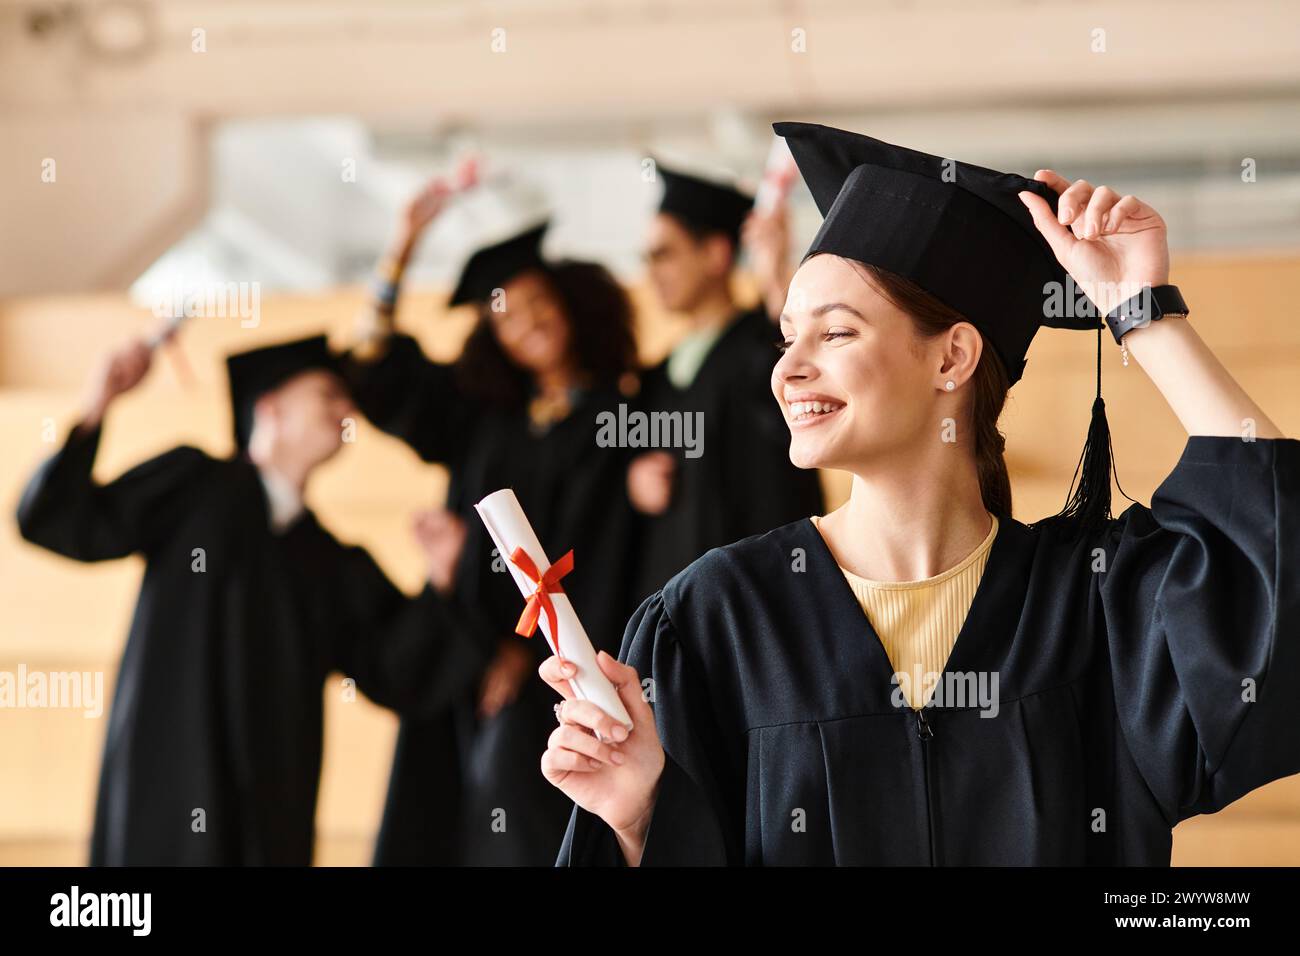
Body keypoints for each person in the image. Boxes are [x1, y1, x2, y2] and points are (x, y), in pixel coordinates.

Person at [541, 122, 1300, 866]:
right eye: (786, 338)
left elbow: (1273, 570)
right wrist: (640, 820)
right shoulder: (718, 618)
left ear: (953, 358)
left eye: (834, 335)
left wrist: (1142, 310)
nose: (788, 370)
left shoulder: (1095, 606)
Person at [15, 334, 488, 865]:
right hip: (168, 786)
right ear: (271, 408)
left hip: (270, 807)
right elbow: (59, 521)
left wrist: (442, 578)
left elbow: (393, 670)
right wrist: (100, 399)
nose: (346, 409)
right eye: (328, 394)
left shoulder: (329, 559)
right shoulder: (193, 486)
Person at [347, 179, 640, 865]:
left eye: (541, 303)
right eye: (509, 317)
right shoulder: (484, 417)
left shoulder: (616, 417)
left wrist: (524, 649)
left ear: (573, 308)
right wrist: (401, 249)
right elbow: (377, 378)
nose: (529, 322)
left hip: (554, 674)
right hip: (464, 655)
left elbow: (605, 555)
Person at [628, 160, 824, 604]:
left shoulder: (764, 345)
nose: (650, 272)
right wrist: (634, 480)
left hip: (764, 597)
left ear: (716, 254)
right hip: (676, 601)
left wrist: (777, 277)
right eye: (646, 257)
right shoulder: (657, 376)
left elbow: (800, 370)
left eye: (664, 253)